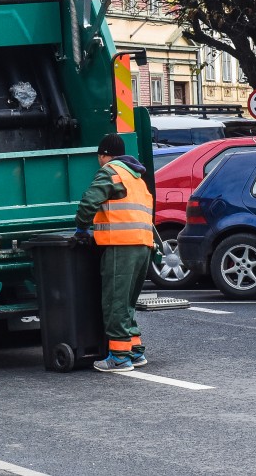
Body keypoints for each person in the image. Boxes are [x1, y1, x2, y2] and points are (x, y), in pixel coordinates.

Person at [74, 133, 156, 372]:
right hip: (143, 245)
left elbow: (89, 202)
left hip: (122, 246)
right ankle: (135, 351)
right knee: (127, 302)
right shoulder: (137, 177)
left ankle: (119, 358)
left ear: (103, 155)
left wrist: (81, 228)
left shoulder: (110, 171)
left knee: (115, 303)